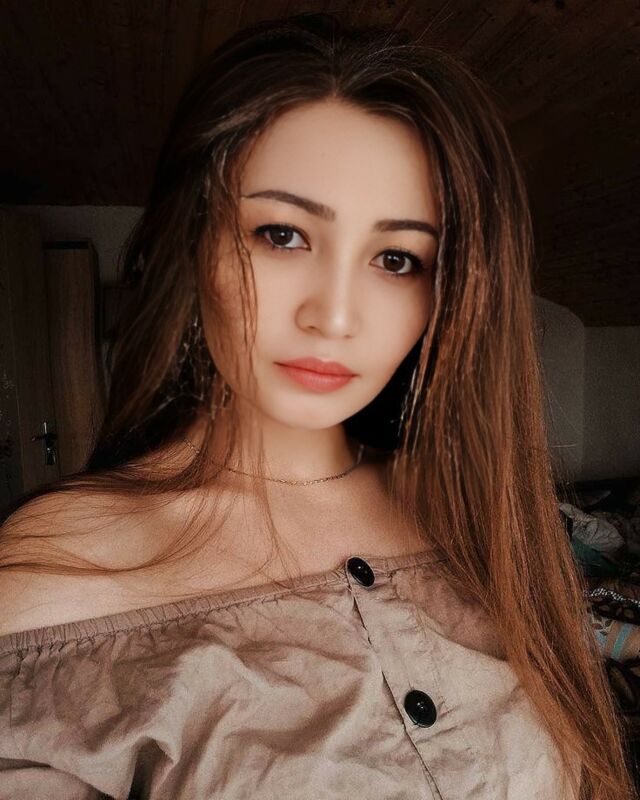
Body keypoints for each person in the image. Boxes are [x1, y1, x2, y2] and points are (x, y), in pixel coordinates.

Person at [0, 12, 633, 800]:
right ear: (192, 241)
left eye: (397, 258)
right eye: (283, 235)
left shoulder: (474, 513)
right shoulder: (53, 579)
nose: (334, 317)